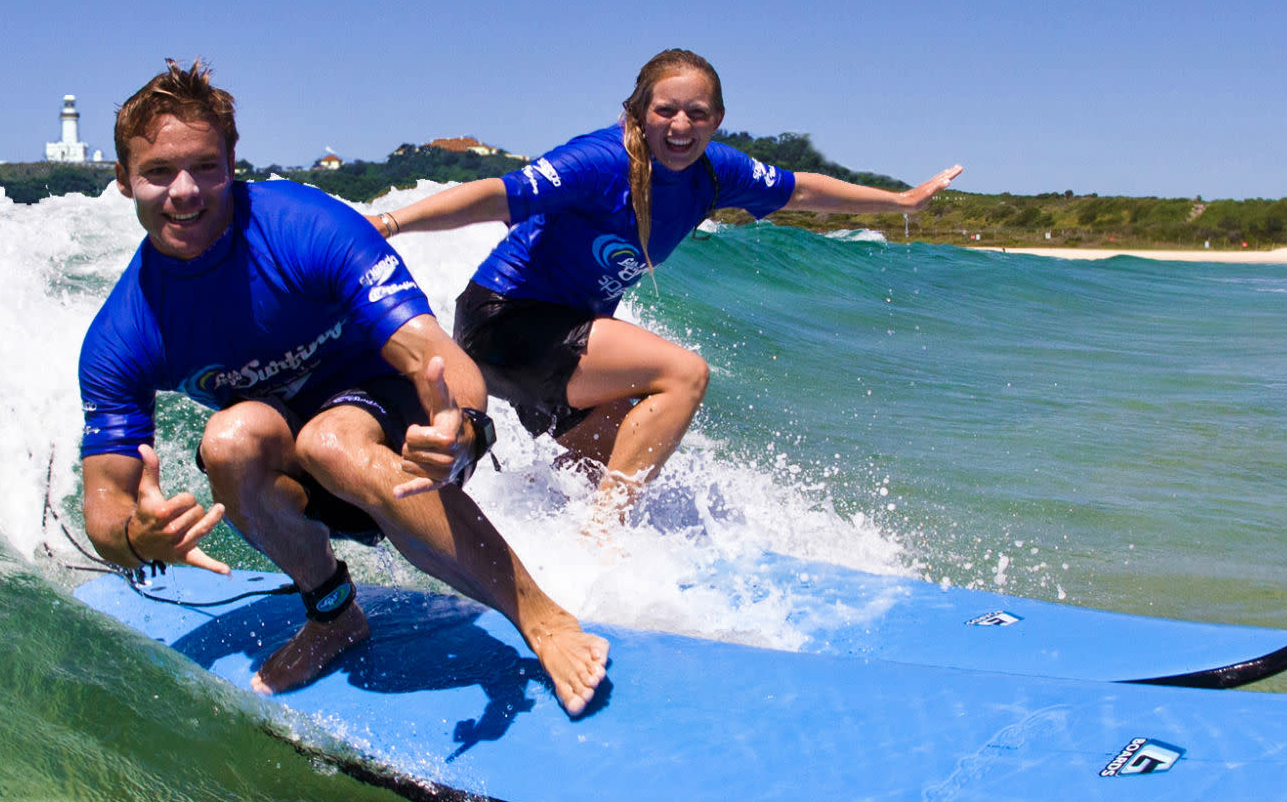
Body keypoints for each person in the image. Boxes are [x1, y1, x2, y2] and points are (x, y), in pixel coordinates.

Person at [78, 61, 610, 714]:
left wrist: (464, 426)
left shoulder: (306, 227)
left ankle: (540, 616)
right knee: (228, 440)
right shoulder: (125, 331)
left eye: (205, 167)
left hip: (409, 436)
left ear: (232, 163)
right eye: (159, 172)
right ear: (125, 179)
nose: (184, 191)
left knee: (333, 438)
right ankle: (333, 614)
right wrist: (138, 539)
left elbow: (432, 353)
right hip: (301, 479)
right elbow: (103, 506)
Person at [372, 49, 961, 534]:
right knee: (684, 374)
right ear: (638, 112)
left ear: (718, 118)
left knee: (600, 454)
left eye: (697, 114)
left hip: (559, 337)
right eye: (666, 110)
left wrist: (900, 202)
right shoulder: (597, 161)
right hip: (505, 321)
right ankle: (600, 536)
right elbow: (495, 194)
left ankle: (522, 531)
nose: (681, 126)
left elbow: (803, 190)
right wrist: (392, 224)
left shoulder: (715, 172)